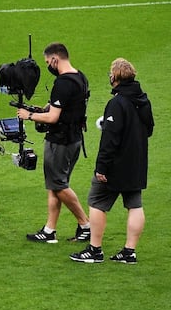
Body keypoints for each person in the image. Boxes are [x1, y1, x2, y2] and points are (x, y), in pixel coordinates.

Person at [70, 58, 153, 264]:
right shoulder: (143, 100)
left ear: (115, 77)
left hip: (116, 164)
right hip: (137, 163)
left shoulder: (117, 103)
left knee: (96, 202)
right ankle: (129, 252)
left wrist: (101, 167)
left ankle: (95, 250)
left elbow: (110, 139)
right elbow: (148, 129)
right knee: (134, 204)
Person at [18, 43, 91, 243]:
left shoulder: (63, 83)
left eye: (48, 62)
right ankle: (49, 231)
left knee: (59, 185)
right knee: (54, 185)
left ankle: (86, 225)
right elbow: (65, 107)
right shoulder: (80, 77)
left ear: (55, 59)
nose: (48, 66)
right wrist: (43, 108)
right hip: (74, 139)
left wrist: (29, 115)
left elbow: (53, 118)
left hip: (60, 141)